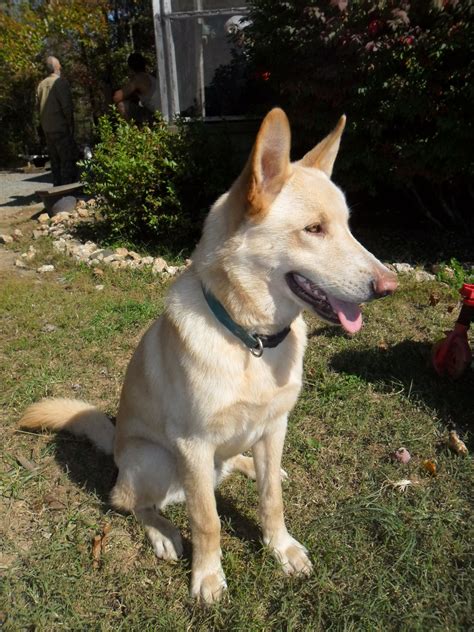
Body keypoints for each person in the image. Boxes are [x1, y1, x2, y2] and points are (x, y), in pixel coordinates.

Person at [36, 56, 78, 186]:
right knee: (67, 161)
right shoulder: (60, 83)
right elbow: (67, 107)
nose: (61, 68)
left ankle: (57, 189)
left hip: (48, 129)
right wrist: (70, 125)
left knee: (55, 163)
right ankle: (67, 190)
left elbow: (37, 108)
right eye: (59, 65)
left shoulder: (40, 85)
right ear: (56, 68)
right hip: (61, 128)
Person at [113, 53, 160, 122]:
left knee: (122, 105)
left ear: (130, 69)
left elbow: (116, 97)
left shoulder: (138, 78)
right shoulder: (149, 77)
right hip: (159, 115)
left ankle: (134, 132)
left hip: (157, 118)